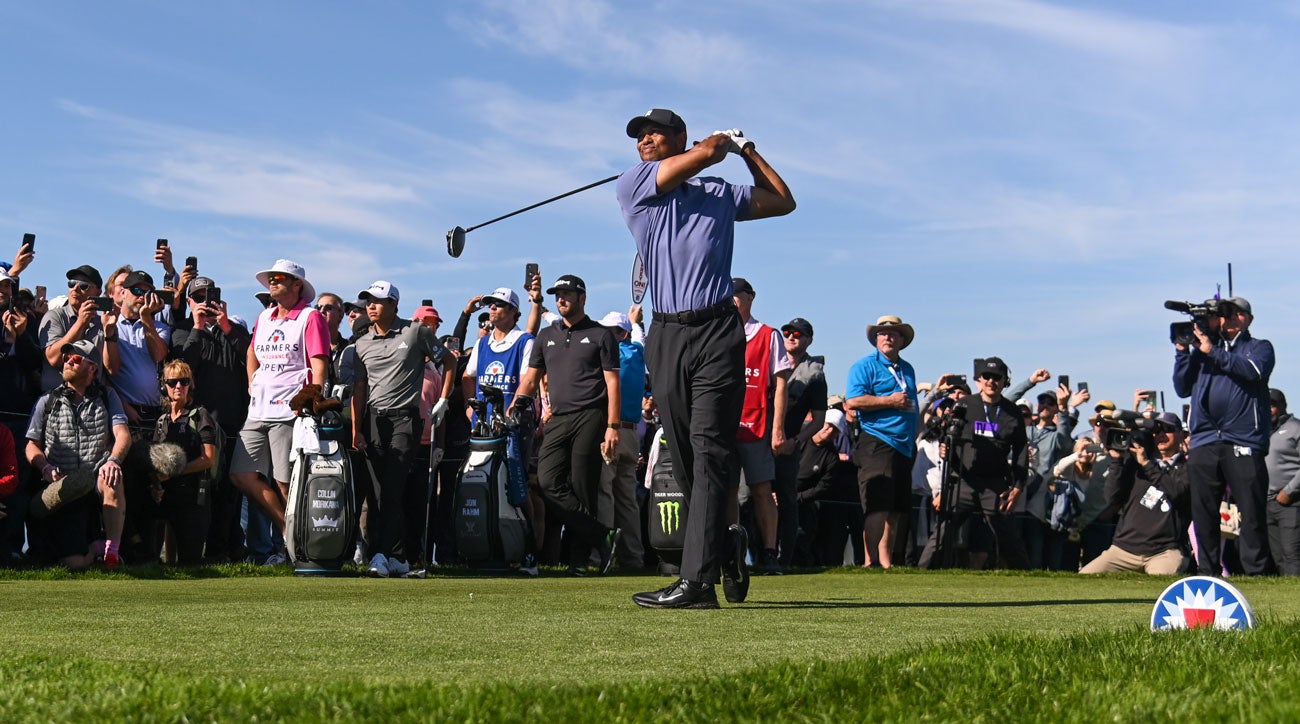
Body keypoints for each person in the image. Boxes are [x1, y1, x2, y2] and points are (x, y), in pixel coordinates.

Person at [618, 108, 795, 609]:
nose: (644, 141)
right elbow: (706, 154)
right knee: (687, 455)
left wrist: (749, 151)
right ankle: (727, 541)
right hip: (667, 331)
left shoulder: (719, 193)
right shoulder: (635, 185)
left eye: (654, 133)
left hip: (719, 329)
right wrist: (719, 144)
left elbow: (784, 201)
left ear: (679, 137)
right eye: (639, 136)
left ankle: (696, 582)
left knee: (712, 449)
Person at [512, 274, 621, 576]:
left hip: (592, 415)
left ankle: (579, 560)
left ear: (582, 298)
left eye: (567, 294)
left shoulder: (602, 335)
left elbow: (613, 384)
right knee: (547, 482)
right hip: (558, 417)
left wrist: (613, 426)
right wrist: (516, 403)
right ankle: (603, 535)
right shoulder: (546, 336)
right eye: (557, 295)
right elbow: (532, 379)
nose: (561, 299)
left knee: (583, 487)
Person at [350, 281, 453, 578]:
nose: (371, 305)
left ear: (394, 305)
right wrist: (357, 429)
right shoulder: (361, 342)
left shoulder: (414, 331)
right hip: (374, 421)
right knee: (378, 492)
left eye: (378, 301)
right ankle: (398, 556)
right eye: (368, 300)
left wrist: (444, 399)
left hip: (406, 419)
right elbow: (359, 389)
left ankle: (381, 555)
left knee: (393, 487)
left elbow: (448, 361)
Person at [228, 260, 330, 546]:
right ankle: (289, 529)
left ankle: (306, 544)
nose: (272, 282)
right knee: (240, 474)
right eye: (271, 278)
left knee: (287, 483)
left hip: (290, 409)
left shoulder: (310, 317)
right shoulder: (265, 318)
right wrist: (253, 382)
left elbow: (319, 364)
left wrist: (312, 399)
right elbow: (252, 352)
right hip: (258, 408)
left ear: (297, 285)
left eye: (280, 278)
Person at [1172, 296, 1275, 575]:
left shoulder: (1258, 348)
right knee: (1204, 512)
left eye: (1237, 313)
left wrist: (1212, 351)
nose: (1231, 317)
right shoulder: (1204, 351)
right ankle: (1207, 571)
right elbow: (1182, 387)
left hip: (1243, 440)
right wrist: (1183, 351)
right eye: (1226, 313)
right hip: (1205, 440)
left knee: (1250, 512)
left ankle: (1256, 573)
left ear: (1248, 319)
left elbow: (1252, 371)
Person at [25, 340, 132, 569]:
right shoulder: (47, 400)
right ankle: (94, 549)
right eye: (66, 358)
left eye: (74, 359)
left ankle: (111, 554)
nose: (67, 362)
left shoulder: (107, 396)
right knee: (74, 563)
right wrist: (44, 467)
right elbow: (31, 445)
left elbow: (123, 434)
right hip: (62, 486)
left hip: (95, 479)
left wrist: (113, 461)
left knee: (113, 476)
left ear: (92, 368)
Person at [917, 356, 1029, 570]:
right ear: (979, 380)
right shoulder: (965, 405)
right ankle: (920, 572)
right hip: (963, 480)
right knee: (943, 531)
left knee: (1006, 533)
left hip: (995, 483)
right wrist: (945, 449)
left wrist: (1017, 487)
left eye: (996, 377)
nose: (991, 381)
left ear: (1005, 381)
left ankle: (1029, 577)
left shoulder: (1012, 412)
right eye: (986, 376)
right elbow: (947, 434)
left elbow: (1021, 450)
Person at [170, 276, 251, 562]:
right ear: (189, 301)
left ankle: (224, 551)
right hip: (200, 429)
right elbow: (184, 365)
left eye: (210, 295)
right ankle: (195, 554)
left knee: (230, 496)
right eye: (198, 296)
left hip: (232, 427)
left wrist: (225, 325)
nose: (205, 301)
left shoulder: (234, 330)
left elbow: (252, 357)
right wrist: (198, 326)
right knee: (200, 495)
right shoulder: (182, 331)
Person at [844, 315, 918, 569]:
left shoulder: (907, 368)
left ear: (902, 340)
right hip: (877, 440)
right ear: (876, 339)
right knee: (877, 506)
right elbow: (853, 401)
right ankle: (870, 561)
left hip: (904, 445)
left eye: (894, 333)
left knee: (896, 509)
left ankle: (886, 564)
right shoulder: (864, 366)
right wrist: (889, 401)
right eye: (883, 333)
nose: (888, 337)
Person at [1080, 413, 1191, 575]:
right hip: (1123, 549)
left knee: (1162, 589)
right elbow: (1111, 497)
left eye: (1168, 429)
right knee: (1084, 580)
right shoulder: (1135, 463)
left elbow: (1177, 492)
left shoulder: (1188, 467)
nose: (1161, 434)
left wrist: (1147, 465)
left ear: (1181, 434)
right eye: (1156, 430)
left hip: (1164, 550)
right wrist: (1117, 460)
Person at [731, 277, 790, 574]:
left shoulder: (768, 335)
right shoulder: (718, 333)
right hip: (724, 425)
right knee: (727, 492)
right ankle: (732, 553)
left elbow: (781, 385)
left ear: (750, 297)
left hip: (756, 423)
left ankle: (769, 552)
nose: (730, 300)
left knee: (761, 490)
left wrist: (777, 428)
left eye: (735, 295)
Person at [151, 359, 219, 565]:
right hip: (166, 496)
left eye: (184, 381)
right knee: (164, 562)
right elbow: (153, 460)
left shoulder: (200, 415)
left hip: (193, 497)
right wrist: (155, 484)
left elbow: (208, 459)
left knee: (190, 562)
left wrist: (175, 472)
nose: (179, 386)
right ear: (165, 386)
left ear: (190, 385)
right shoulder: (162, 420)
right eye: (173, 382)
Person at [597, 307, 647, 570]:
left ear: (620, 333)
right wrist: (637, 322)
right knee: (627, 499)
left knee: (604, 492)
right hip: (632, 433)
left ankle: (602, 555)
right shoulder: (637, 353)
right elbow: (640, 337)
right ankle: (632, 557)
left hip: (612, 430)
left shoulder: (613, 357)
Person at [775, 316, 826, 566]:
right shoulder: (769, 362)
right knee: (746, 498)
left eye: (798, 333)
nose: (791, 336)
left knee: (787, 500)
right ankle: (755, 555)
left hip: (788, 446)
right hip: (758, 442)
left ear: (809, 340)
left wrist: (796, 441)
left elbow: (818, 421)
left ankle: (785, 559)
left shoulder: (815, 374)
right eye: (787, 332)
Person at [37, 265, 105, 392]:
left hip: (92, 402)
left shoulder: (103, 324)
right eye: (72, 283)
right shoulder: (54, 316)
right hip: (56, 400)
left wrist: (111, 332)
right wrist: (81, 322)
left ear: (98, 292)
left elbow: (111, 370)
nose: (75, 288)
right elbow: (53, 359)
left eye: (84, 285)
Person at [1265, 388, 1300, 575]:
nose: (1267, 409)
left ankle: (1296, 592)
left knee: (1291, 553)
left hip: (1291, 501)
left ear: (1282, 406)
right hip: (1267, 501)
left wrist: (1289, 491)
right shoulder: (1261, 430)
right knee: (1276, 554)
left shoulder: (1296, 428)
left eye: (1271, 405)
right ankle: (1285, 589)